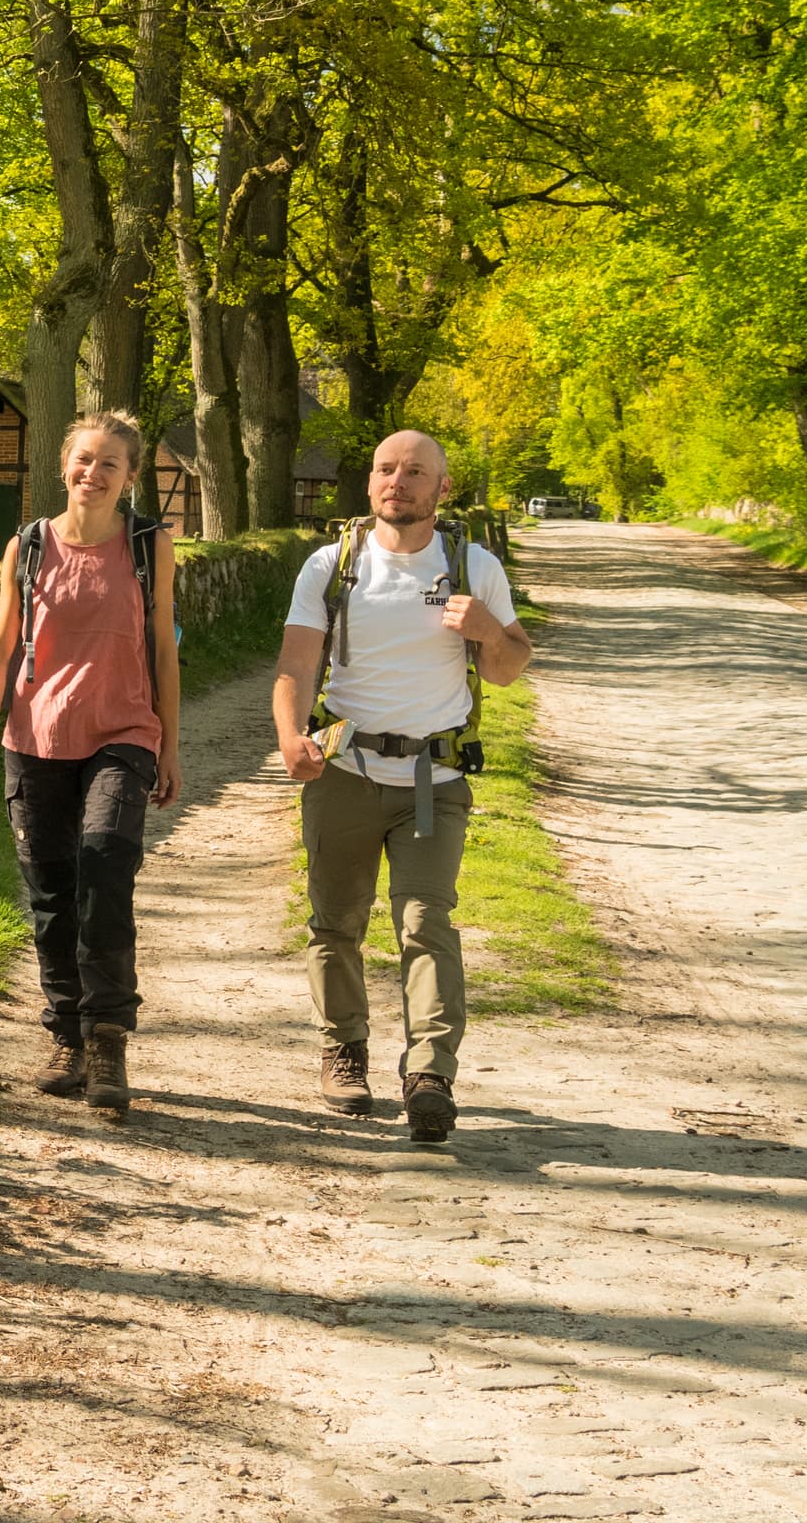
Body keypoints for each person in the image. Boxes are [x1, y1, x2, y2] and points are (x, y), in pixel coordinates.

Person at [271, 430, 537, 1144]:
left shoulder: (474, 566)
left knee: (425, 922)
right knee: (337, 922)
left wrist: (486, 631)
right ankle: (344, 1050)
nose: (399, 481)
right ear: (369, 484)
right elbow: (297, 663)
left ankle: (430, 1074)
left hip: (432, 779)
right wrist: (290, 737)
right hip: (346, 772)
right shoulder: (332, 566)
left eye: (416, 472)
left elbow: (510, 667)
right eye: (387, 470)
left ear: (442, 489)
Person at [0, 412, 184, 1118]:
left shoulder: (149, 547)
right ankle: (67, 1038)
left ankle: (108, 1035)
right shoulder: (26, 547)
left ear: (130, 477)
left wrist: (171, 743)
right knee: (51, 893)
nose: (94, 473)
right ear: (63, 467)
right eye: (83, 460)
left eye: (109, 463)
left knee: (106, 863)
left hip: (123, 732)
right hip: (35, 738)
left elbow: (166, 649)